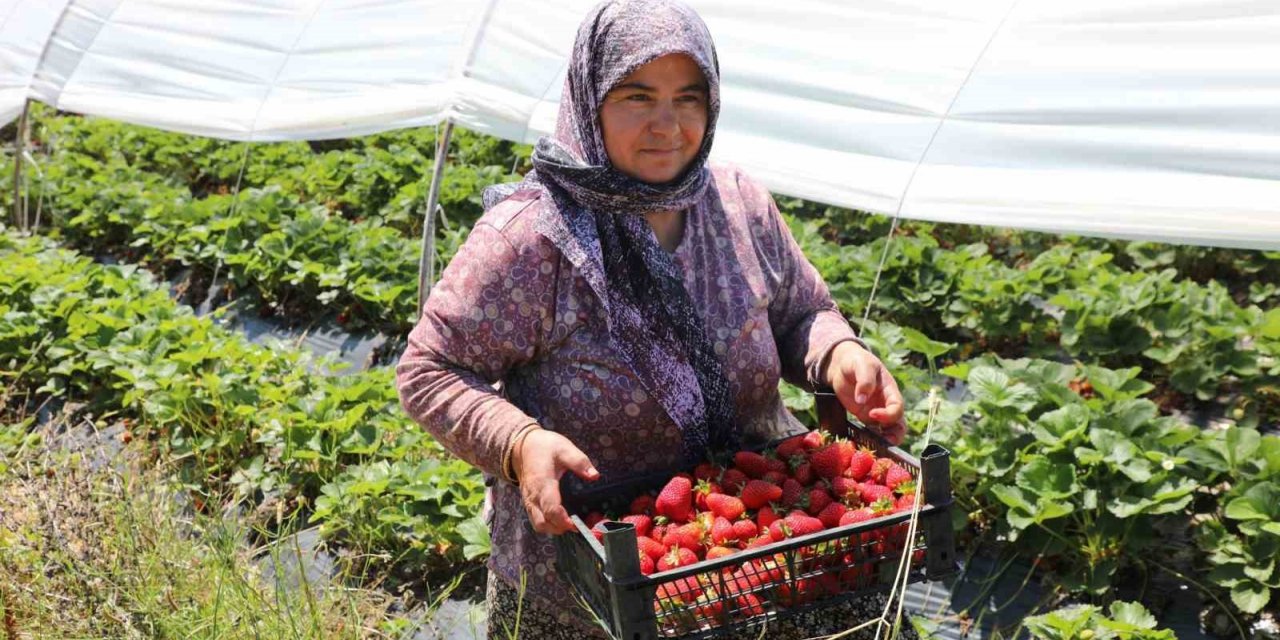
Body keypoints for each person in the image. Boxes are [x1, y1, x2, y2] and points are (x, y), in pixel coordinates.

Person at [396, 1, 914, 637]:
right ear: (590, 99)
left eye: (688, 98)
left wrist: (840, 355)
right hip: (587, 581)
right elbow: (429, 370)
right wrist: (518, 442)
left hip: (756, 558)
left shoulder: (738, 203)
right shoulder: (531, 239)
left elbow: (801, 311)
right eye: (637, 96)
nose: (667, 125)